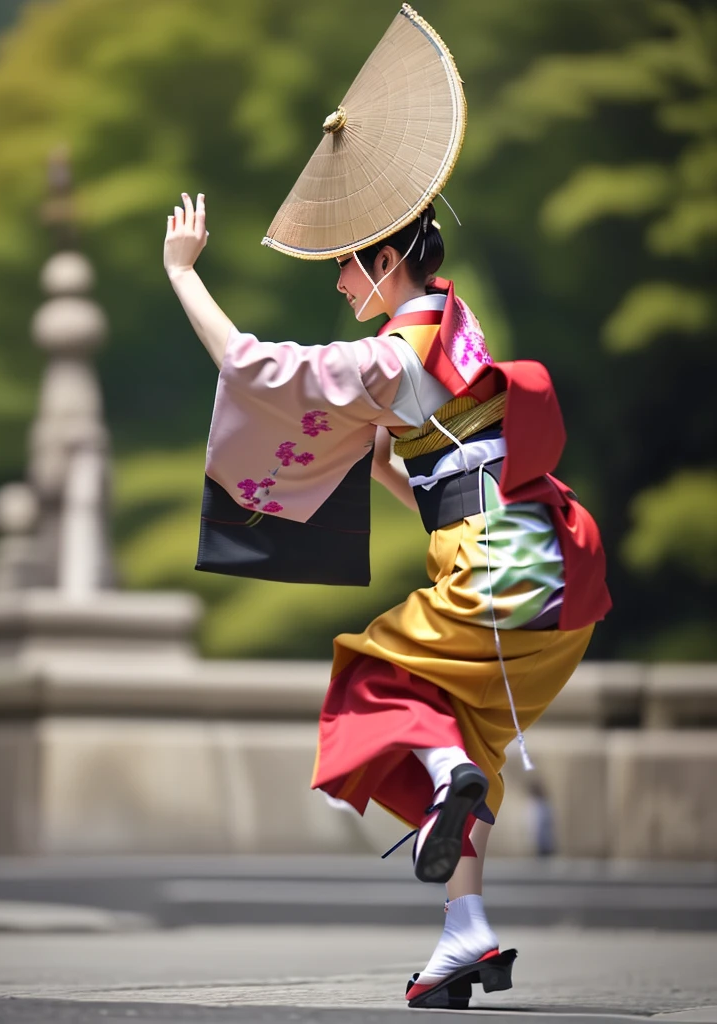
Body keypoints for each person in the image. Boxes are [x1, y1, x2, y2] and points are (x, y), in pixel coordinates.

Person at [164, 189, 611, 1007]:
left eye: (345, 265)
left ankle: (446, 783)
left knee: (369, 677)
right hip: (557, 565)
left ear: (386, 262)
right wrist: (383, 459)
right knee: (464, 733)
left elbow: (248, 367)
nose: (338, 282)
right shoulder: (451, 323)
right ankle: (463, 930)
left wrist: (183, 273)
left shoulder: (387, 360)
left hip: (499, 563)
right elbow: (412, 467)